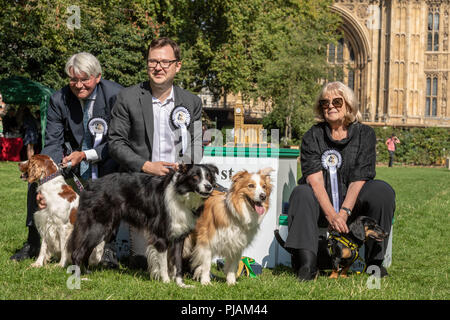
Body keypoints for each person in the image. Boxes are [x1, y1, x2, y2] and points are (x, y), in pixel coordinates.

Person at [10, 52, 123, 266]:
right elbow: (52, 141)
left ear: (98, 77)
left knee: (113, 179)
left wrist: (87, 155)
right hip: (69, 160)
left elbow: (119, 140)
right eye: (73, 79)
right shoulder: (58, 98)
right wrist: (47, 179)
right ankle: (33, 241)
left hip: (107, 158)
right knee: (36, 181)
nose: (78, 85)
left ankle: (108, 248)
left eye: (84, 79)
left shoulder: (116, 95)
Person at [285, 81, 395, 281]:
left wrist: (344, 213)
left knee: (382, 191)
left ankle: (374, 264)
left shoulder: (365, 134)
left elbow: (359, 178)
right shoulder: (312, 135)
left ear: (349, 106)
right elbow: (315, 181)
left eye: (337, 101)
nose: (330, 106)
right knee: (301, 192)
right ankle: (307, 266)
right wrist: (332, 215)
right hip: (321, 206)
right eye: (324, 102)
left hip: (353, 210)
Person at [108, 37, 202, 175]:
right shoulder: (127, 98)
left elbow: (197, 143)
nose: (158, 68)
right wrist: (146, 166)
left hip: (177, 184)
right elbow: (115, 142)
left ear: (178, 66)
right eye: (153, 61)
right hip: (139, 184)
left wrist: (185, 163)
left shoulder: (193, 102)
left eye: (165, 62)